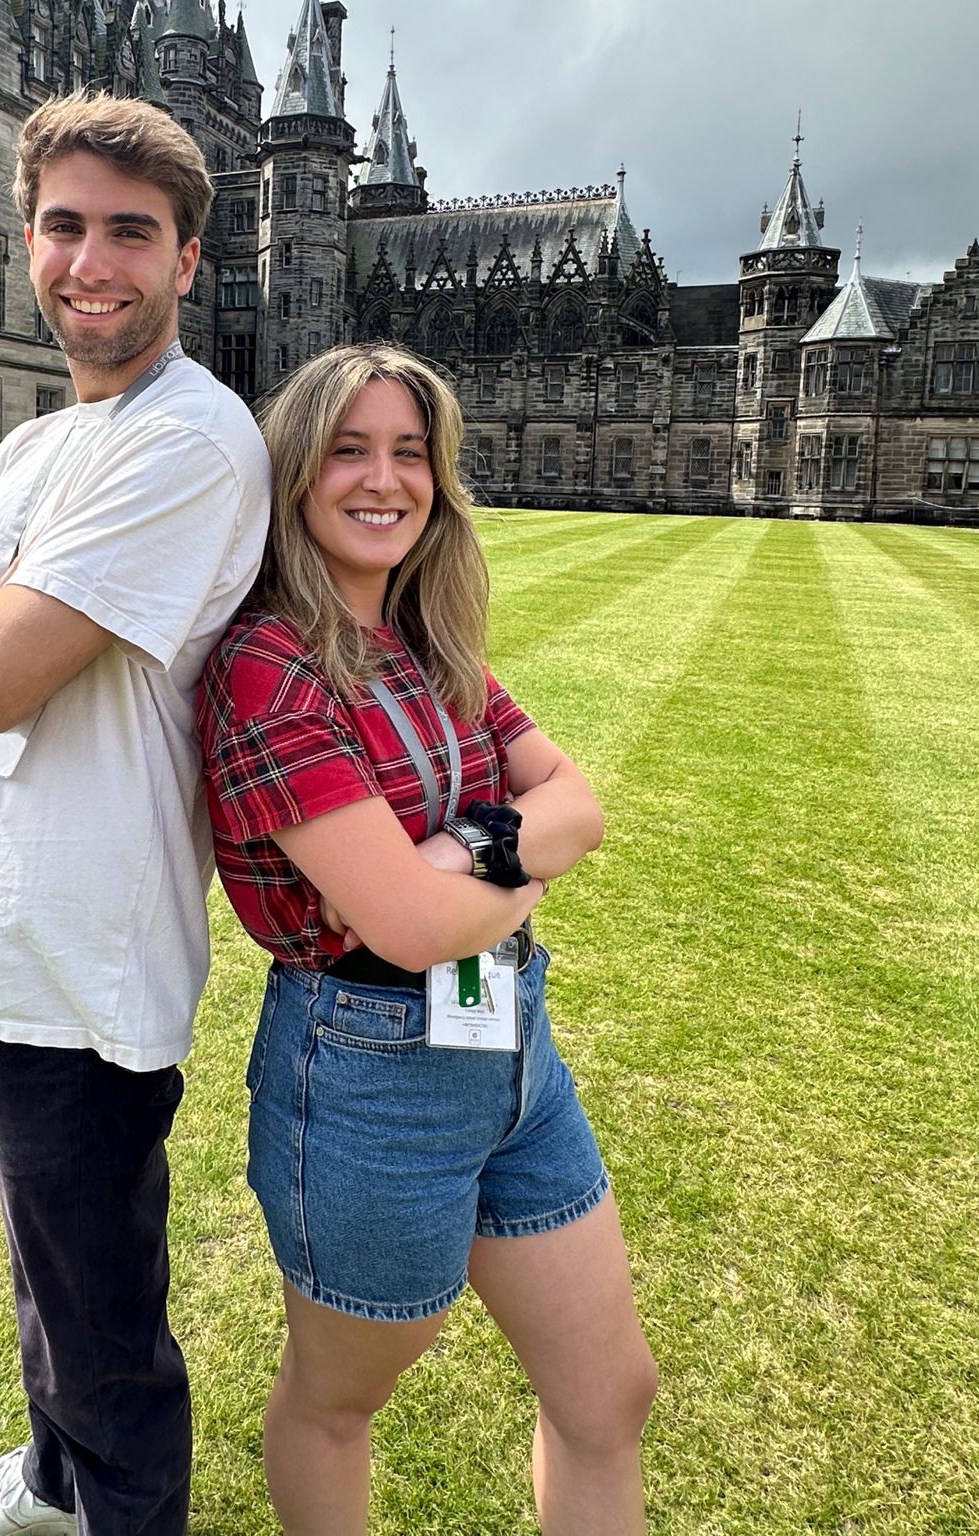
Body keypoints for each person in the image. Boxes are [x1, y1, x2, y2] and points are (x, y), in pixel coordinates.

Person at [0, 92, 270, 1536]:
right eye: (63, 226)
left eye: (130, 232)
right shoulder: (41, 446)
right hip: (12, 930)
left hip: (90, 949)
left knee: (102, 1311)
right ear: (27, 240)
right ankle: (54, 1485)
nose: (89, 262)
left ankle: (108, 1504)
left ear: (187, 262)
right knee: (51, 1260)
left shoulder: (191, 439)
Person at [197, 344, 657, 1536]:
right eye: (349, 450)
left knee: (609, 1394)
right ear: (297, 472)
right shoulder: (268, 667)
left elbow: (580, 804)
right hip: (368, 1074)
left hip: (512, 1048)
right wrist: (509, 869)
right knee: (337, 1402)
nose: (384, 479)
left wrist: (461, 855)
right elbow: (406, 928)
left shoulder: (429, 642)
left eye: (411, 452)